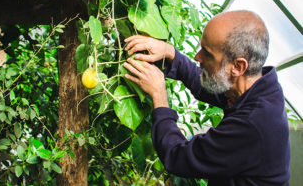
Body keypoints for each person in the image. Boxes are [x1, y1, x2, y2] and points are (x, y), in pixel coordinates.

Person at [123, 10, 290, 186]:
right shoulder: (256, 87)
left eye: (207, 54)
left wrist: (159, 96)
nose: (197, 57)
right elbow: (211, 84)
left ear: (238, 66)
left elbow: (179, 157)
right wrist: (171, 53)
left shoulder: (255, 123)